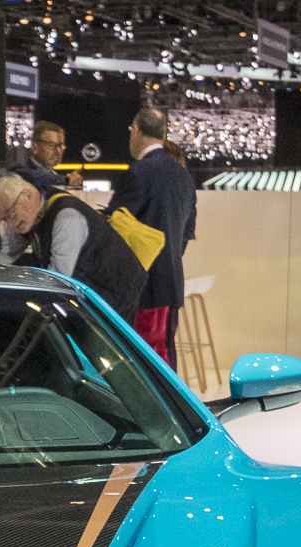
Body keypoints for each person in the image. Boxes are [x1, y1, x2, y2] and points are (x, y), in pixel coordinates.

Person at [104, 105, 196, 365]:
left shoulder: (138, 172)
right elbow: (187, 231)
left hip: (141, 288)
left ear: (135, 130)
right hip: (170, 284)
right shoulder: (184, 177)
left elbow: (116, 226)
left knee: (140, 365)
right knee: (163, 359)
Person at [0, 173, 146, 321]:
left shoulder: (66, 216)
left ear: (28, 196)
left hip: (116, 287)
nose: (9, 222)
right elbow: (7, 255)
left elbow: (57, 279)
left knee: (100, 338)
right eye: (3, 219)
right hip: (90, 288)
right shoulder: (28, 216)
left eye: (11, 213)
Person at [8, 120, 70, 197]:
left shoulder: (53, 175)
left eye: (60, 146)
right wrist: (66, 180)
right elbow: (34, 178)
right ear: (35, 148)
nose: (58, 151)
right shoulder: (21, 171)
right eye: (52, 145)